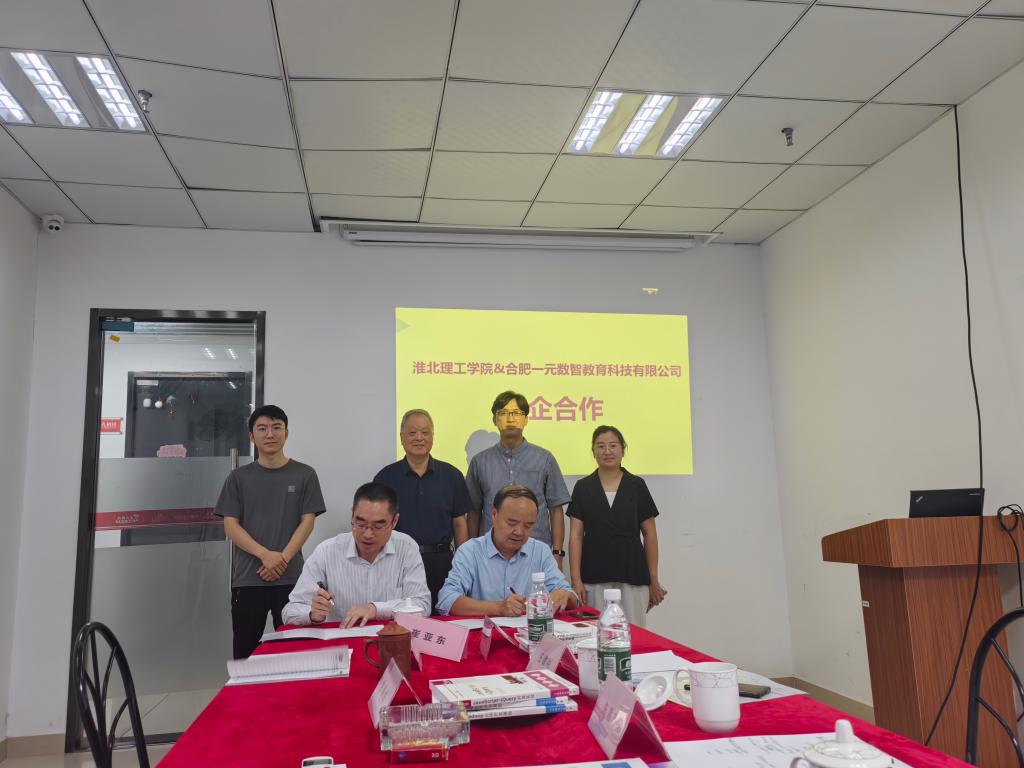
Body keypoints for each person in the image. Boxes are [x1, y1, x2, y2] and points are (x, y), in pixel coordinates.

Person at [215, 404, 326, 658]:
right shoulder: (238, 478)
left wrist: (282, 558)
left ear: (286, 433)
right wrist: (265, 555)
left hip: (292, 579)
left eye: (277, 427)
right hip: (248, 578)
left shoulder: (305, 474)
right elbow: (230, 525)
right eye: (262, 428)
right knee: (245, 652)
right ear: (251, 436)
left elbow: (308, 522)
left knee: (295, 651)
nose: (270, 434)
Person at [282, 482, 430, 626]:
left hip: (391, 637)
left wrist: (375, 609)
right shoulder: (326, 552)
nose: (367, 534)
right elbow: (289, 611)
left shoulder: (406, 548)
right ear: (352, 515)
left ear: (394, 521)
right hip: (343, 638)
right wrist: (312, 614)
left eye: (378, 526)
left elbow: (422, 605)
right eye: (360, 524)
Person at [567, 425, 667, 627]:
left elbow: (649, 533)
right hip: (593, 577)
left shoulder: (636, 485)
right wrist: (576, 580)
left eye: (613, 446)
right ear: (593, 451)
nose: (607, 451)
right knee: (596, 634)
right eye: (600, 446)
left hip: (633, 574)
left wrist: (653, 579)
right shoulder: (583, 487)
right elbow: (576, 535)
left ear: (623, 450)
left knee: (634, 634)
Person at [374, 409, 471, 613]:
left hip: (442, 563)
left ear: (433, 436)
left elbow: (459, 523)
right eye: (412, 433)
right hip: (399, 562)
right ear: (402, 438)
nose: (419, 438)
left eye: (425, 432)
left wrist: (462, 563)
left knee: (444, 618)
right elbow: (377, 524)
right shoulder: (385, 478)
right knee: (402, 617)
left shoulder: (452, 475)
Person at [466, 391, 571, 568]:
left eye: (516, 413)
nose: (510, 419)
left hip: (536, 553)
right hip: (489, 555)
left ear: (526, 419)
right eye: (503, 413)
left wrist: (557, 554)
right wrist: (473, 552)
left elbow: (555, 510)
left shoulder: (544, 458)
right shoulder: (480, 462)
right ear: (494, 419)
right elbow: (473, 511)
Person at [437, 485, 578, 617]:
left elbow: (571, 598)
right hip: (484, 632)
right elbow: (447, 599)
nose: (519, 532)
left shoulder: (540, 551)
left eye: (528, 526)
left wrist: (564, 594)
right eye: (512, 523)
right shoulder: (470, 552)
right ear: (494, 515)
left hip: (529, 632)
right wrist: (498, 608)